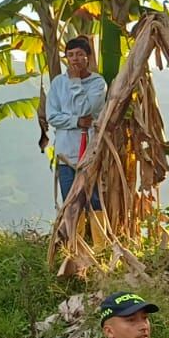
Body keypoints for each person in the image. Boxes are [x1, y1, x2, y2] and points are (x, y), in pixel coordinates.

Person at [47, 37, 108, 209]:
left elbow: (85, 110)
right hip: (65, 155)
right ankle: (73, 236)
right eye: (70, 55)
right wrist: (76, 121)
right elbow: (52, 116)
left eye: (80, 54)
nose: (74, 59)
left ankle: (97, 236)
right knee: (70, 203)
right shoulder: (58, 83)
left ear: (88, 57)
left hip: (90, 153)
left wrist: (75, 82)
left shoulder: (97, 83)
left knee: (94, 201)